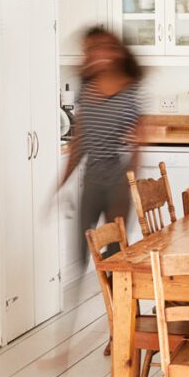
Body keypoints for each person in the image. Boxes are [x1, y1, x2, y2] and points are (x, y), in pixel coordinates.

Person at [59, 27, 144, 260]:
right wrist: (61, 182)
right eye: (89, 49)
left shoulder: (130, 89)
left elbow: (137, 144)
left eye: (99, 48)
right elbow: (80, 142)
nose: (94, 54)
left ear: (115, 51)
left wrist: (131, 183)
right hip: (92, 178)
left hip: (119, 180)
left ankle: (116, 294)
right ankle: (90, 294)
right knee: (82, 248)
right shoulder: (86, 88)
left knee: (116, 248)